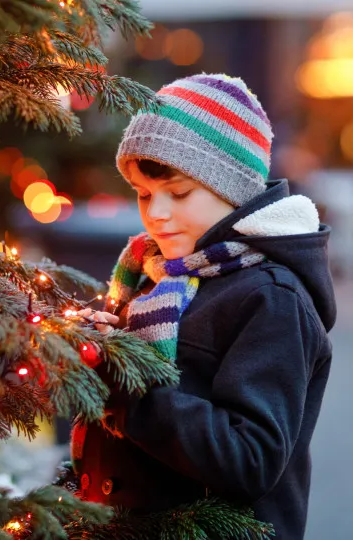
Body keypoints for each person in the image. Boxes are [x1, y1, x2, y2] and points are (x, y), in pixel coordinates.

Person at [71, 73, 336, 539]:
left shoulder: (271, 297)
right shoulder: (154, 274)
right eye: (143, 194)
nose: (156, 214)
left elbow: (250, 458)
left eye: (178, 193)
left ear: (231, 190)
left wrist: (125, 394)